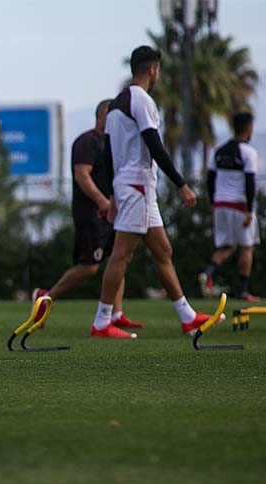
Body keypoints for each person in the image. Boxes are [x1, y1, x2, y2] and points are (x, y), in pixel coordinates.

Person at [92, 45, 211, 338]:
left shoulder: (117, 102)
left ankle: (187, 316)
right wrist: (182, 184)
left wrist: (111, 195)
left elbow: (108, 155)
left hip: (129, 186)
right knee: (122, 254)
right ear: (153, 69)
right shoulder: (142, 100)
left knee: (162, 251)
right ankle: (101, 322)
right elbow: (155, 146)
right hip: (137, 185)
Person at [31, 100, 142, 329]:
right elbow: (82, 175)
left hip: (114, 212)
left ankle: (115, 314)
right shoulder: (87, 142)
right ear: (102, 116)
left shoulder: (113, 143)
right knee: (89, 266)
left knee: (117, 259)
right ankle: (45, 297)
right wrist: (102, 201)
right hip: (91, 213)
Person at [199, 112, 262, 302]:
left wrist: (212, 203)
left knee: (228, 246)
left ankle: (208, 273)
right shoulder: (248, 152)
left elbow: (210, 179)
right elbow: (250, 182)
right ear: (248, 127)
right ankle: (242, 290)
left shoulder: (218, 150)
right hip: (239, 206)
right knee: (246, 248)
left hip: (220, 204)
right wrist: (250, 210)